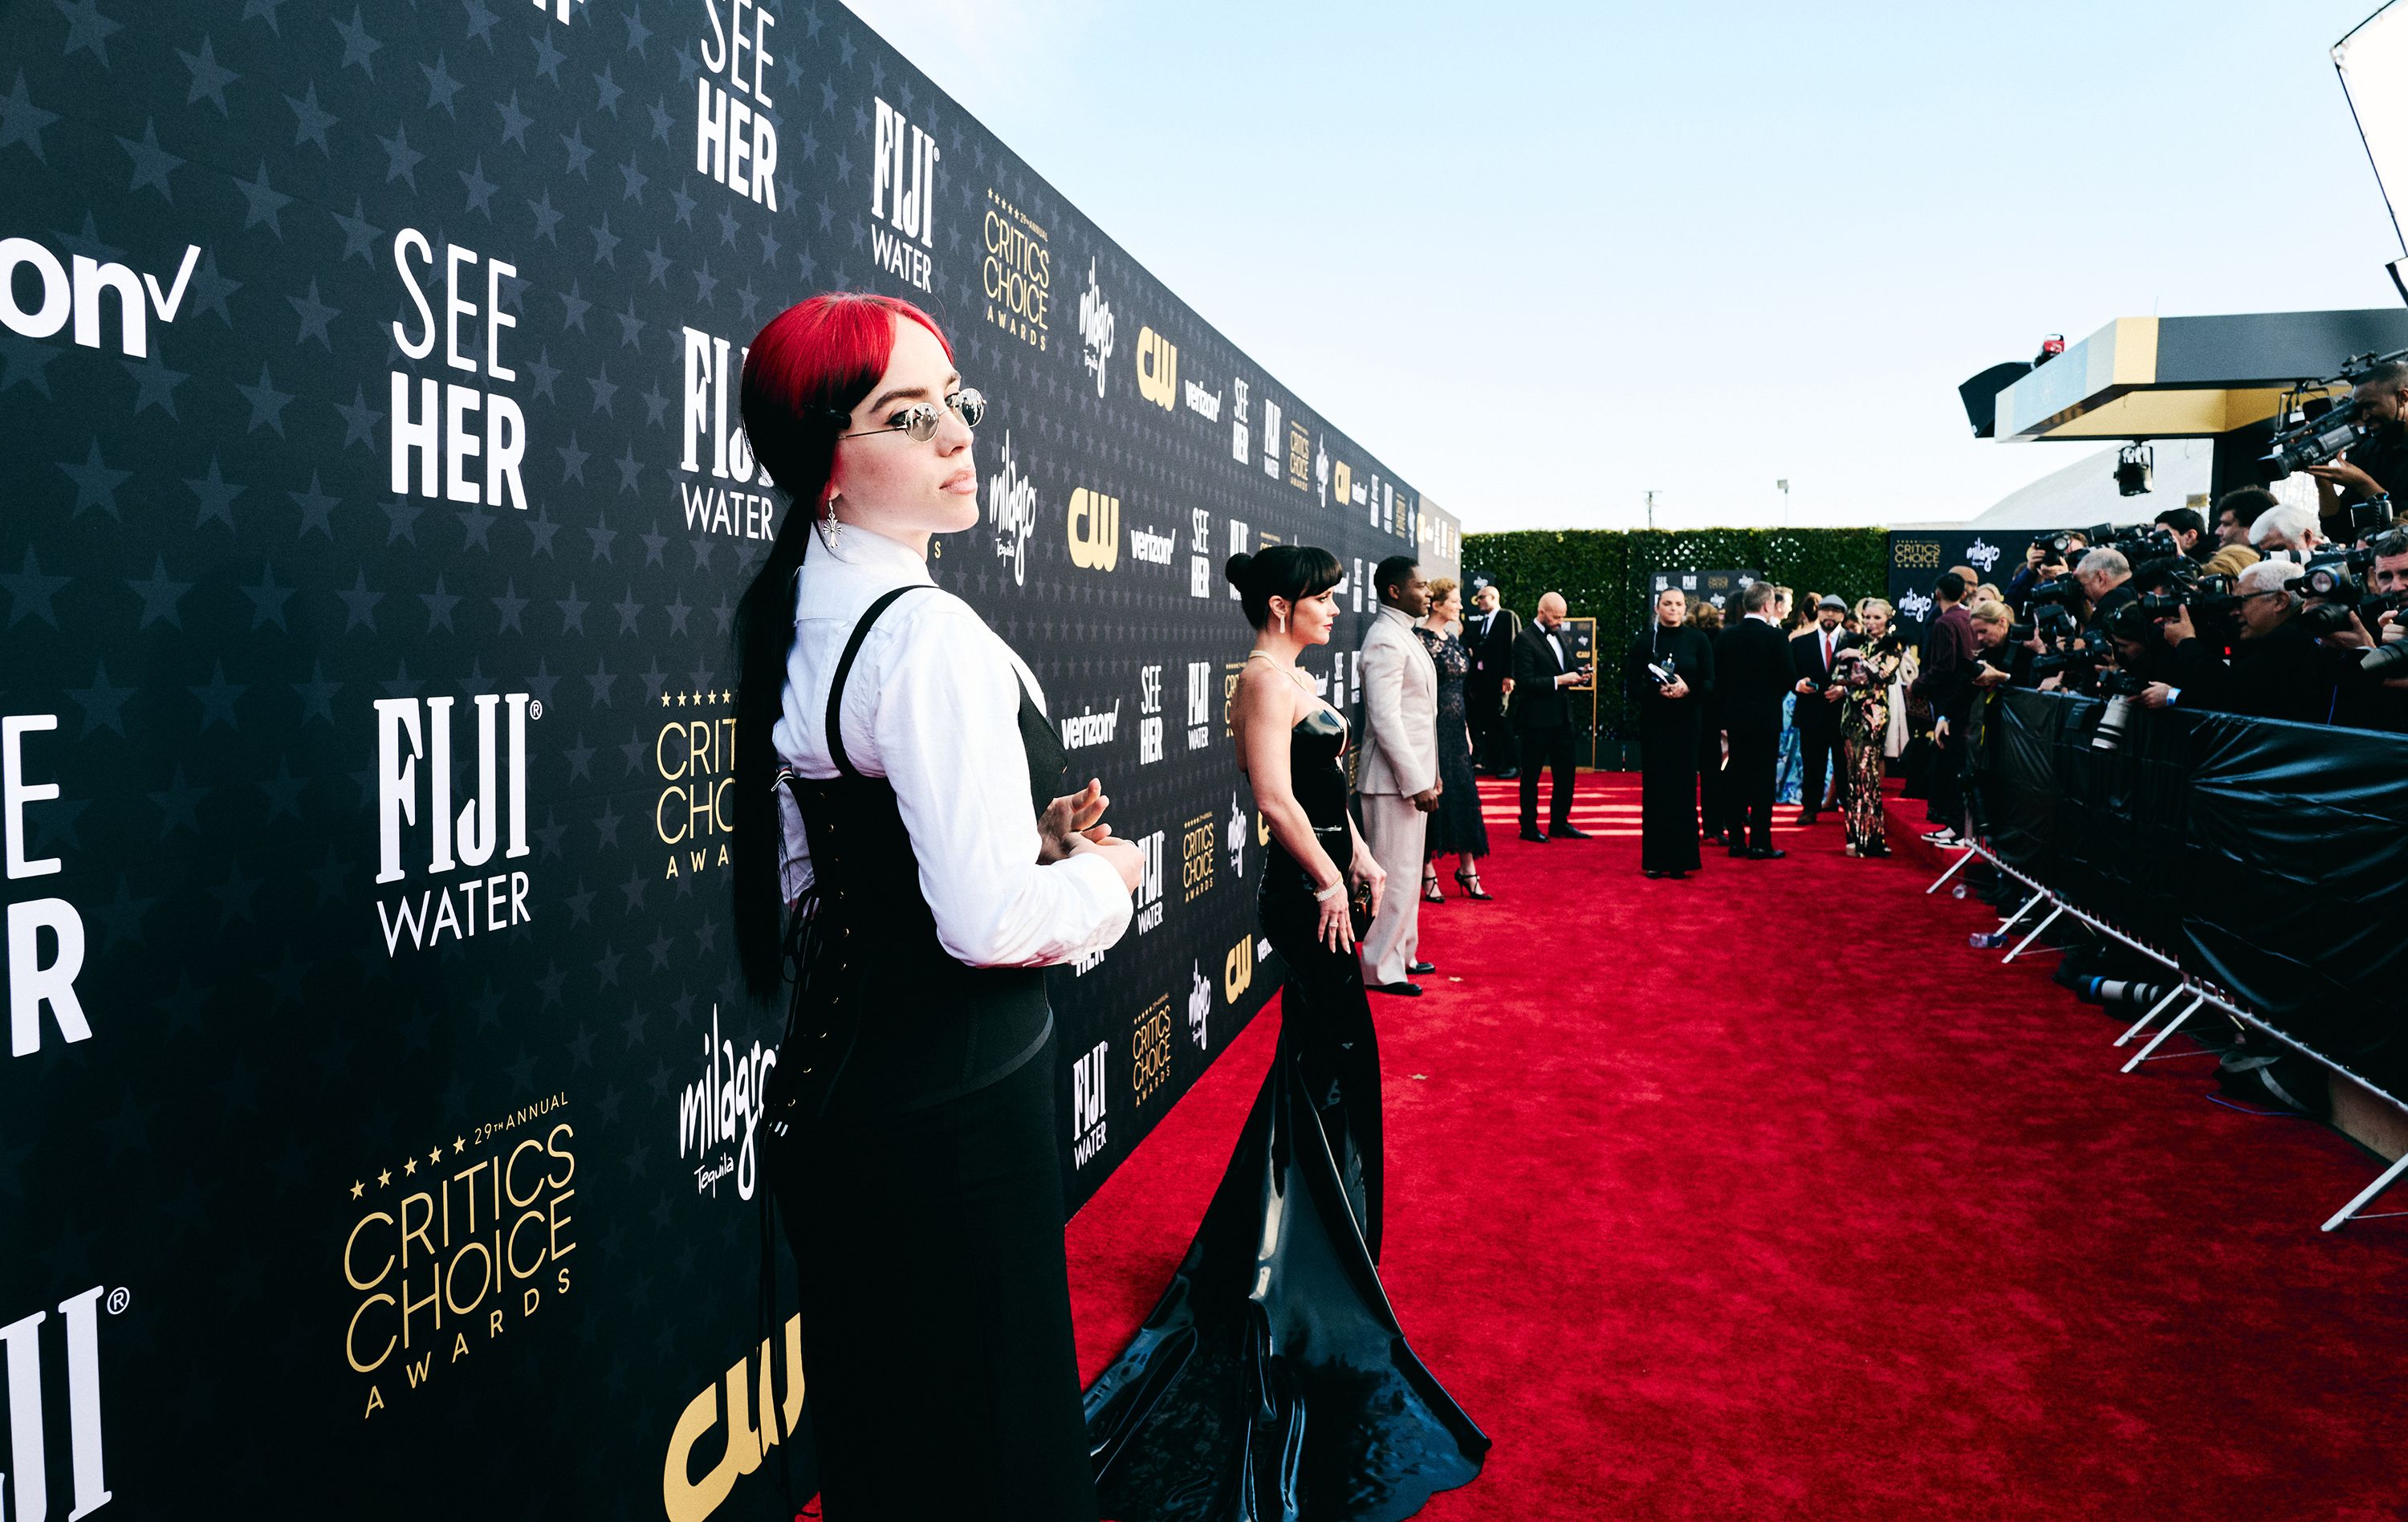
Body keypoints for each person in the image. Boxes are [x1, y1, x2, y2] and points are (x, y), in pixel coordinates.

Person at [730, 293, 1144, 1522]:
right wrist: (1104, 881)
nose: (956, 435)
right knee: (992, 1454)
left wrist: (1030, 841)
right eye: (907, 416)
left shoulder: (804, 610)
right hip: (952, 1107)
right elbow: (981, 926)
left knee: (895, 1447)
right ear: (829, 468)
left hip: (851, 1098)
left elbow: (832, 881)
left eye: (955, 405)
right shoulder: (927, 639)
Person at [1085, 545, 1490, 1520]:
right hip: (1296, 897)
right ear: (1281, 606)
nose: (1333, 613)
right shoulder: (1262, 683)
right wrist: (1323, 879)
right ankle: (1294, 1274)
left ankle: (1311, 1254)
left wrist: (1360, 857)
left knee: (1330, 1069)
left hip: (1326, 883)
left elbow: (1324, 792)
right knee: (1330, 1062)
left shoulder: (1301, 678)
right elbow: (1272, 802)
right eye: (1322, 601)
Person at [1356, 555, 1441, 996]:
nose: (1429, 593)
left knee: (1407, 873)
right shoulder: (1385, 639)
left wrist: (1433, 776)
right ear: (1394, 590)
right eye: (1421, 586)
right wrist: (1416, 780)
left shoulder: (1404, 635)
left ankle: (1403, 954)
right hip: (1390, 783)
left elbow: (1423, 717)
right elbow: (1386, 719)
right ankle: (1379, 967)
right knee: (1392, 874)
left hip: (1410, 780)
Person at [1624, 586, 1715, 878]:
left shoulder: (1698, 639)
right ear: (1657, 608)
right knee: (1656, 790)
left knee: (1684, 789)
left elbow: (1710, 680)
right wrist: (1656, 691)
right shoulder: (1644, 643)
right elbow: (1630, 685)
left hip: (1688, 724)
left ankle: (1681, 860)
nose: (1673, 608)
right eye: (1667, 604)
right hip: (1655, 724)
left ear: (1684, 608)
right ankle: (1655, 859)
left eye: (1678, 604)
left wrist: (1687, 689)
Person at [1416, 579, 1492, 901]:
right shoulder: (1419, 640)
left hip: (1456, 729)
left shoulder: (1453, 637)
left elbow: (1459, 691)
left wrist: (1465, 730)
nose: (1461, 605)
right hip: (1430, 731)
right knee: (1434, 799)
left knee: (1463, 795)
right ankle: (1426, 871)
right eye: (1455, 601)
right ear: (1437, 604)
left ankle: (1467, 869)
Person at [1714, 580, 1791, 860]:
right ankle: (1760, 842)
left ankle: (1736, 841)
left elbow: (1718, 679)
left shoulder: (1726, 637)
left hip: (1735, 717)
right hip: (1766, 718)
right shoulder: (1777, 638)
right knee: (1762, 780)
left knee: (1735, 776)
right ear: (1768, 605)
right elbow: (1788, 678)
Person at [1511, 592, 1592, 841]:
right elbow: (1525, 682)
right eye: (1556, 617)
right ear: (1542, 613)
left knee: (1566, 774)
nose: (1561, 621)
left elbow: (1564, 667)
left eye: (1562, 617)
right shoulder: (1524, 640)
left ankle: (1559, 822)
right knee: (1532, 775)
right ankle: (1528, 827)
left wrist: (1579, 673)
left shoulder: (1558, 636)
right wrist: (1560, 681)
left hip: (1562, 719)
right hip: (1536, 721)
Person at [1907, 572, 1977, 847]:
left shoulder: (1945, 622)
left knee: (1952, 765)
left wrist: (1917, 685)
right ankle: (1956, 826)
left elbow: (1944, 667)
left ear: (1937, 594)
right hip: (1963, 700)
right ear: (1963, 593)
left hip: (1949, 704)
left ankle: (1957, 827)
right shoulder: (1967, 617)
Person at [1832, 598, 1906, 857]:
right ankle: (1855, 837)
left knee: (1868, 776)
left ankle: (1871, 839)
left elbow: (1882, 674)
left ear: (1888, 620)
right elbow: (1839, 676)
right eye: (1867, 617)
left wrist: (1858, 660)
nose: (1870, 623)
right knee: (1852, 776)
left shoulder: (1893, 645)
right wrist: (1854, 673)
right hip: (1849, 714)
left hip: (1873, 717)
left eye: (1876, 618)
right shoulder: (1858, 643)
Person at [2307, 357, 2408, 539]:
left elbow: (2404, 529)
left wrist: (2364, 484)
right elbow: (2337, 530)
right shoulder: (2368, 451)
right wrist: (2323, 478)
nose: (2364, 416)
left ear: (2403, 397)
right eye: (2358, 408)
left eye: (2370, 405)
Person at [1788, 594, 1849, 824]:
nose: (1830, 615)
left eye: (1835, 611)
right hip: (1811, 713)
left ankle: (1848, 807)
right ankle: (1810, 808)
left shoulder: (1854, 642)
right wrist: (1798, 685)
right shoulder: (1800, 643)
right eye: (1826, 610)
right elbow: (1789, 674)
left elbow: (1864, 679)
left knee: (1844, 764)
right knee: (1812, 763)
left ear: (1843, 615)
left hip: (1843, 715)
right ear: (1818, 613)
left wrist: (1845, 691)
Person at [1466, 583, 1521, 778]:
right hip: (1484, 684)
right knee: (1488, 723)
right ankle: (1494, 764)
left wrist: (1510, 675)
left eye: (1482, 597)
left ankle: (1513, 764)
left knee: (1502, 721)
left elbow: (1514, 647)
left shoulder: (1507, 617)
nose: (1478, 601)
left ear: (1494, 597)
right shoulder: (1481, 624)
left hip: (1501, 681)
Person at [1688, 601, 1731, 845]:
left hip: (1689, 712)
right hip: (1713, 715)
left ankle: (1689, 825)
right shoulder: (1722, 641)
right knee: (1712, 774)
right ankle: (1714, 826)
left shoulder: (1687, 640)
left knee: (1686, 775)